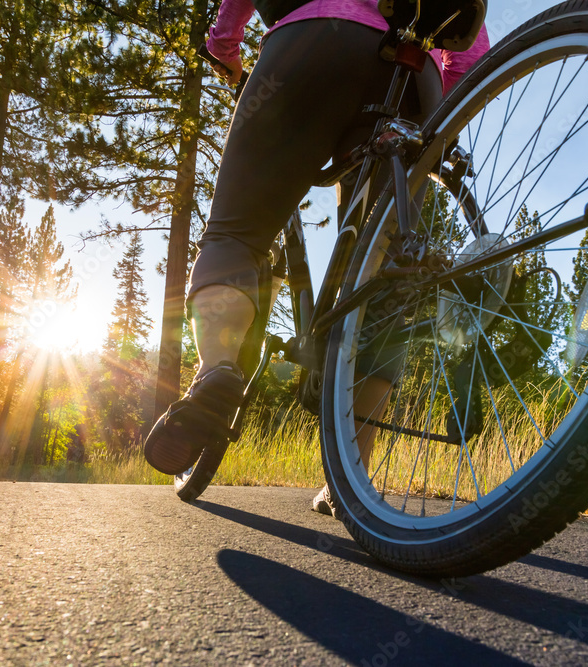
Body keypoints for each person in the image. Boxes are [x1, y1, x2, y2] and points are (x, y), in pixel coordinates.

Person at [144, 0, 490, 515]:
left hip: (309, 46)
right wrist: (440, 123)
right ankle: (349, 478)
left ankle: (217, 371)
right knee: (383, 281)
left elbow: (232, 17)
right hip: (414, 79)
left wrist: (226, 51)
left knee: (236, 234)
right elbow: (470, 49)